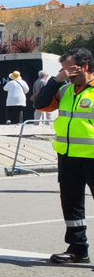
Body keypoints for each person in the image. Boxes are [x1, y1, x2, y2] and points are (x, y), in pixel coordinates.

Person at [33, 48, 94, 265]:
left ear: (84, 66)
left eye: (70, 69)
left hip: (92, 157)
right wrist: (56, 80)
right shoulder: (65, 89)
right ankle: (78, 249)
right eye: (63, 70)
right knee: (71, 204)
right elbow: (40, 104)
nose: (66, 73)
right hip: (68, 156)